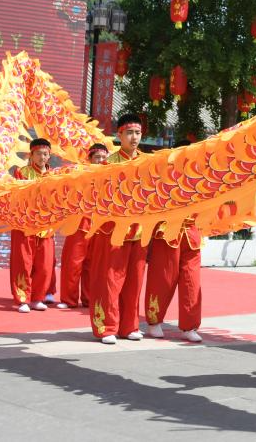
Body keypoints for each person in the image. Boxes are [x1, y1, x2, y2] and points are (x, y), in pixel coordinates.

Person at [89, 114, 148, 344]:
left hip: (139, 230)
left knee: (134, 280)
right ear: (119, 135)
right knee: (111, 281)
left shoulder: (148, 162)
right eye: (130, 133)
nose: (134, 138)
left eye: (138, 133)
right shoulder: (109, 164)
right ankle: (107, 327)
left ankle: (129, 326)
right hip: (113, 230)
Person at [145, 139, 204, 343]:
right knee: (162, 278)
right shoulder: (162, 176)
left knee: (191, 280)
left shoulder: (200, 176)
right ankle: (154, 321)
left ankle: (190, 326)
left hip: (191, 233)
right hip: (167, 232)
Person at [56, 142, 108, 309]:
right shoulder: (79, 174)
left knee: (93, 265)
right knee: (73, 262)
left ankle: (89, 298)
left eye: (103, 157)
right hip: (79, 222)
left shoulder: (109, 176)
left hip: (99, 225)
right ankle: (69, 299)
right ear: (90, 159)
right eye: (97, 157)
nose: (100, 160)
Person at [10, 138, 56, 313]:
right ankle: (23, 299)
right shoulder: (22, 172)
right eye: (38, 153)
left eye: (45, 154)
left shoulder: (55, 176)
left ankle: (37, 298)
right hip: (24, 225)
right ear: (31, 155)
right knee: (23, 263)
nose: (42, 157)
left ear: (49, 155)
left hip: (46, 226)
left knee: (44, 265)